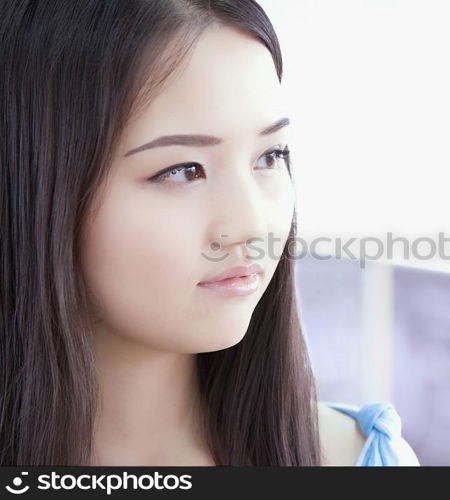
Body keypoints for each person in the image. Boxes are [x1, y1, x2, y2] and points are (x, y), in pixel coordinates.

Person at [0, 0, 419, 466]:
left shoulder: (357, 458)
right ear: (34, 186)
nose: (251, 225)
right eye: (182, 170)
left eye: (270, 157)